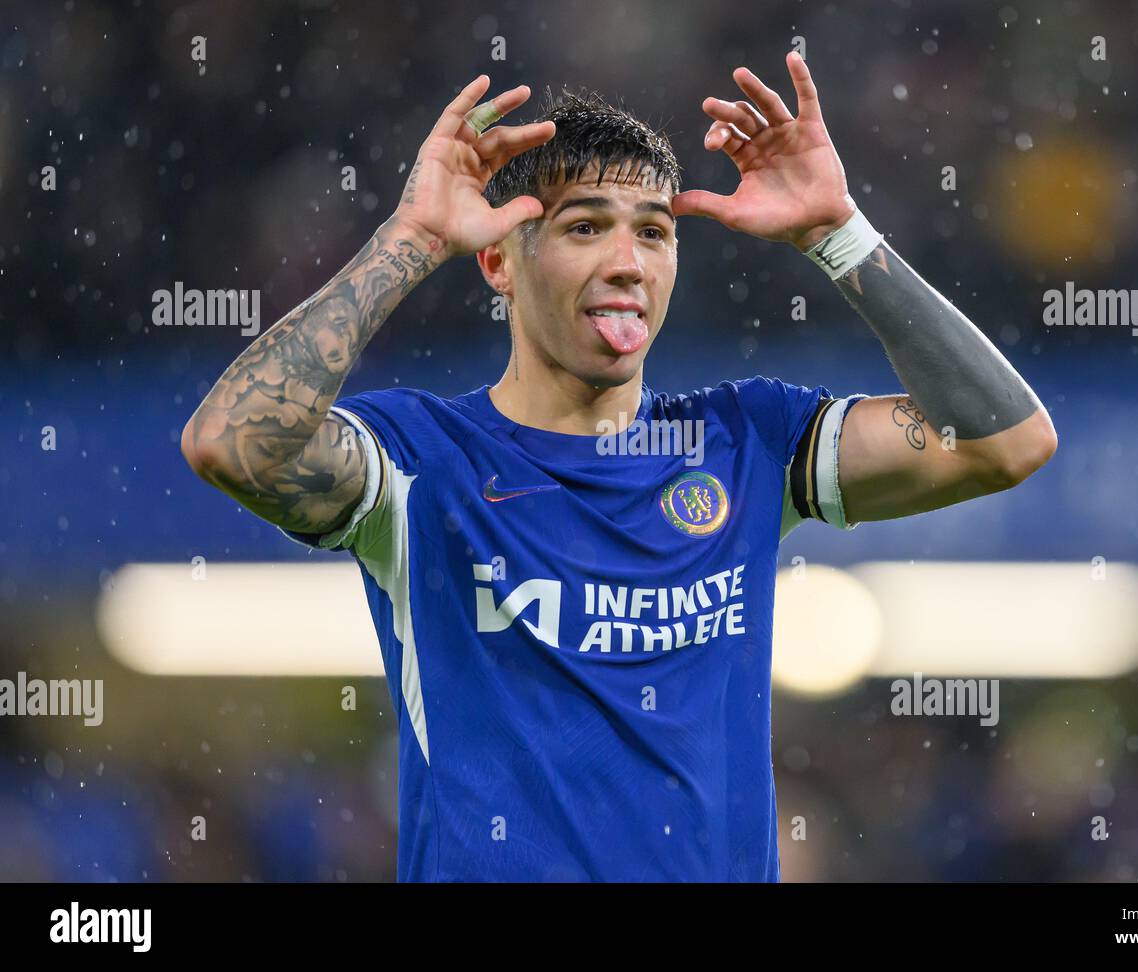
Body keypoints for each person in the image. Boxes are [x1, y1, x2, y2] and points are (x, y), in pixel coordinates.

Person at [181, 53, 1056, 881]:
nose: (628, 264)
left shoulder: (745, 442)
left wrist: (841, 235)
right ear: (498, 260)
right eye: (585, 228)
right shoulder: (422, 464)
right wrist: (409, 238)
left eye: (655, 232)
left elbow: (1004, 441)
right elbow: (231, 442)